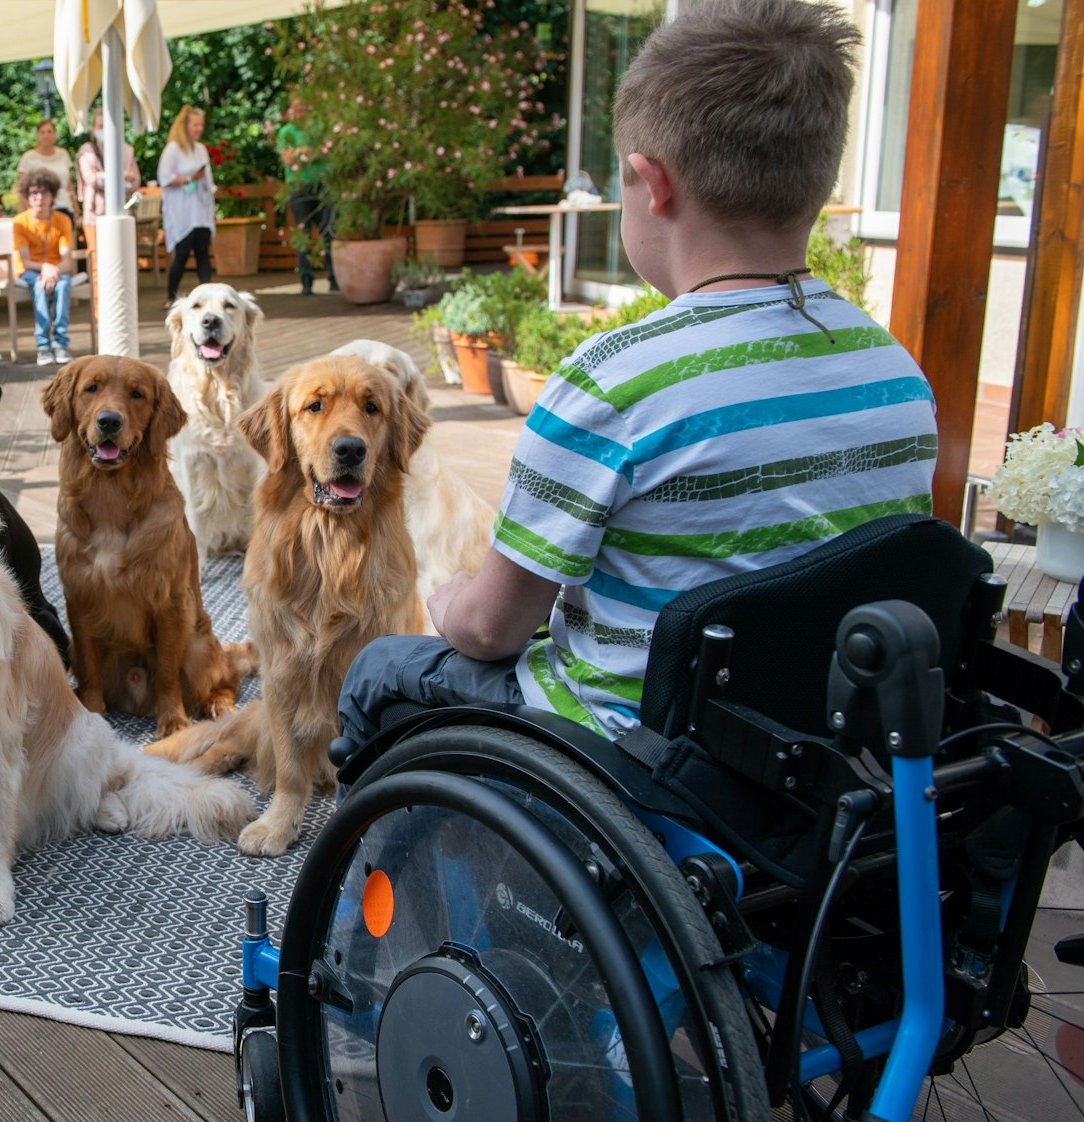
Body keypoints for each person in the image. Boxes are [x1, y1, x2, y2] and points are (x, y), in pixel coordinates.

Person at [337, 0, 938, 746]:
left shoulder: (612, 385)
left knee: (380, 669)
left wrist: (451, 595)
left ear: (652, 184)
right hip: (816, 754)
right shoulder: (897, 377)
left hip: (636, 753)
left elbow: (494, 629)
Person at [11, 169, 76, 365]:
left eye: (44, 192)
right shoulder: (20, 222)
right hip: (30, 270)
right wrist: (45, 268)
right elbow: (26, 260)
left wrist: (53, 269)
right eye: (34, 193)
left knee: (63, 285)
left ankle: (60, 342)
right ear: (27, 197)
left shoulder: (62, 220)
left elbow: (67, 259)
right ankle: (43, 345)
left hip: (58, 269)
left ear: (53, 195)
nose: (39, 197)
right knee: (40, 286)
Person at [275, 94, 337, 296]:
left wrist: (302, 154)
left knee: (328, 232)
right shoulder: (286, 132)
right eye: (295, 108)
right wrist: (305, 153)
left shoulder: (318, 128)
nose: (299, 111)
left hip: (321, 185)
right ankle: (306, 281)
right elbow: (287, 159)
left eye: (302, 107)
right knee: (303, 234)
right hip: (298, 187)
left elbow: (323, 151)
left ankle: (334, 278)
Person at [158, 105, 216, 308]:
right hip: (181, 210)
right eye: (195, 124)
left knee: (203, 252)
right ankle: (171, 295)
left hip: (200, 209)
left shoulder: (201, 149)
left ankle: (208, 294)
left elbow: (208, 180)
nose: (199, 129)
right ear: (185, 126)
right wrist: (190, 177)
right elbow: (164, 178)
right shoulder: (173, 149)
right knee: (182, 253)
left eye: (201, 124)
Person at [75, 105, 141, 231]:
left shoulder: (126, 150)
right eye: (100, 127)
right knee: (96, 250)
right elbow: (91, 179)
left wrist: (104, 177)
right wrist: (121, 176)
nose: (104, 130)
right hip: (95, 213)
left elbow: (135, 180)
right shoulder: (87, 152)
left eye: (106, 126)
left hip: (122, 210)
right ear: (93, 129)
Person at [15, 118, 77, 224]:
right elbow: (22, 188)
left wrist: (75, 207)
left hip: (64, 207)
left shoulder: (63, 154)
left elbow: (69, 185)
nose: (46, 135)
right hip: (39, 211)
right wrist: (23, 213)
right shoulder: (29, 157)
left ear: (55, 134)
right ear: (37, 135)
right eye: (42, 132)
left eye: (49, 131)